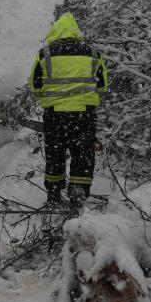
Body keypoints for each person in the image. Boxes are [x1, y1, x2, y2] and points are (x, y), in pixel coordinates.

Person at [29, 12, 108, 209]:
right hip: (84, 114)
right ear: (76, 32)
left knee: (55, 154)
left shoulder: (44, 54)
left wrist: (52, 96)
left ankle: (54, 194)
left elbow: (35, 86)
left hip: (55, 114)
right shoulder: (93, 53)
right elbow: (102, 86)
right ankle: (79, 189)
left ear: (56, 31)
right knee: (83, 152)